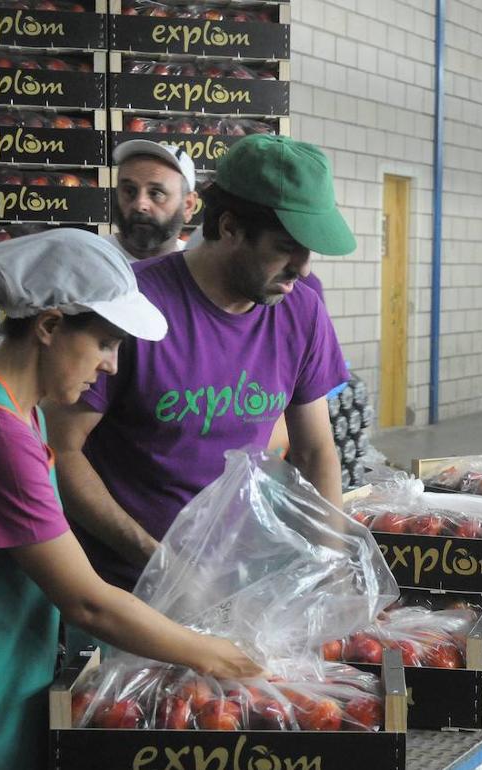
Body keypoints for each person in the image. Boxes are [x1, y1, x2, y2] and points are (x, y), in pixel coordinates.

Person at [0, 230, 262, 770]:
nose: (110, 366)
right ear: (50, 326)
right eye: (105, 343)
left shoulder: (11, 410)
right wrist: (222, 657)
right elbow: (88, 602)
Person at [46, 134, 352, 592]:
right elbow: (61, 449)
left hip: (238, 582)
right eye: (286, 246)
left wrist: (330, 568)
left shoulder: (302, 313)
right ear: (229, 228)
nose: (303, 268)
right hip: (121, 590)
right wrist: (160, 562)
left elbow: (314, 451)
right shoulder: (131, 305)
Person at [107, 140, 199, 261]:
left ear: (188, 206)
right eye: (129, 191)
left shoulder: (199, 268)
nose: (140, 204)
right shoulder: (90, 260)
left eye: (156, 193)